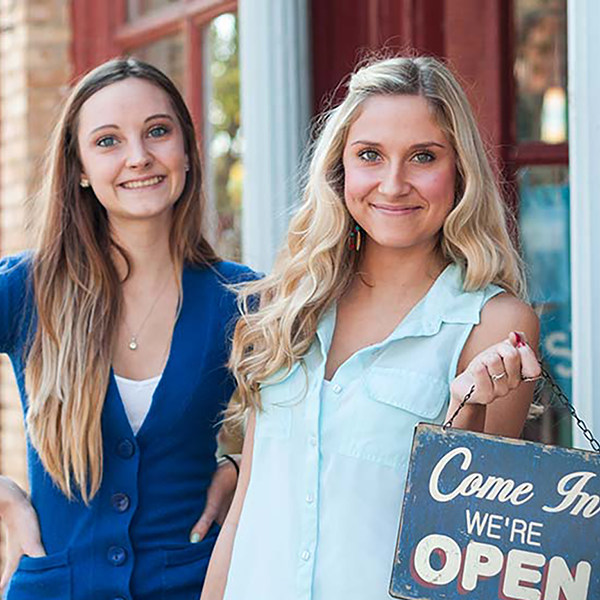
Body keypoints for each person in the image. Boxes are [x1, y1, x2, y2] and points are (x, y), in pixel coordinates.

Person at [200, 55, 541, 600]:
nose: (393, 183)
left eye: (423, 157)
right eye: (369, 156)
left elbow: (471, 546)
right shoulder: (294, 304)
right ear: (341, 168)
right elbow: (244, 515)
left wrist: (468, 406)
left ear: (459, 170)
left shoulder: (492, 324)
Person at [0, 58, 253, 599]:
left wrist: (240, 468)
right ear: (81, 169)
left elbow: (316, 421)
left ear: (187, 148)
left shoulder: (242, 300)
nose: (139, 157)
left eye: (157, 132)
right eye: (108, 141)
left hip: (193, 584)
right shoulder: (27, 289)